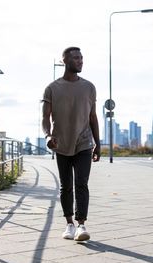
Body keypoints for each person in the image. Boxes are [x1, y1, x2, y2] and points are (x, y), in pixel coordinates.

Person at [42, 46, 100, 241]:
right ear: (65, 61)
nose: (80, 61)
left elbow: (93, 117)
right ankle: (69, 224)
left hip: (84, 143)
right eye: (76, 58)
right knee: (66, 186)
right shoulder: (52, 88)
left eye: (82, 58)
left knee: (81, 183)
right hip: (61, 143)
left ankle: (82, 225)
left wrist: (98, 144)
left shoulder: (89, 87)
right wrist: (48, 136)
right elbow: (45, 117)